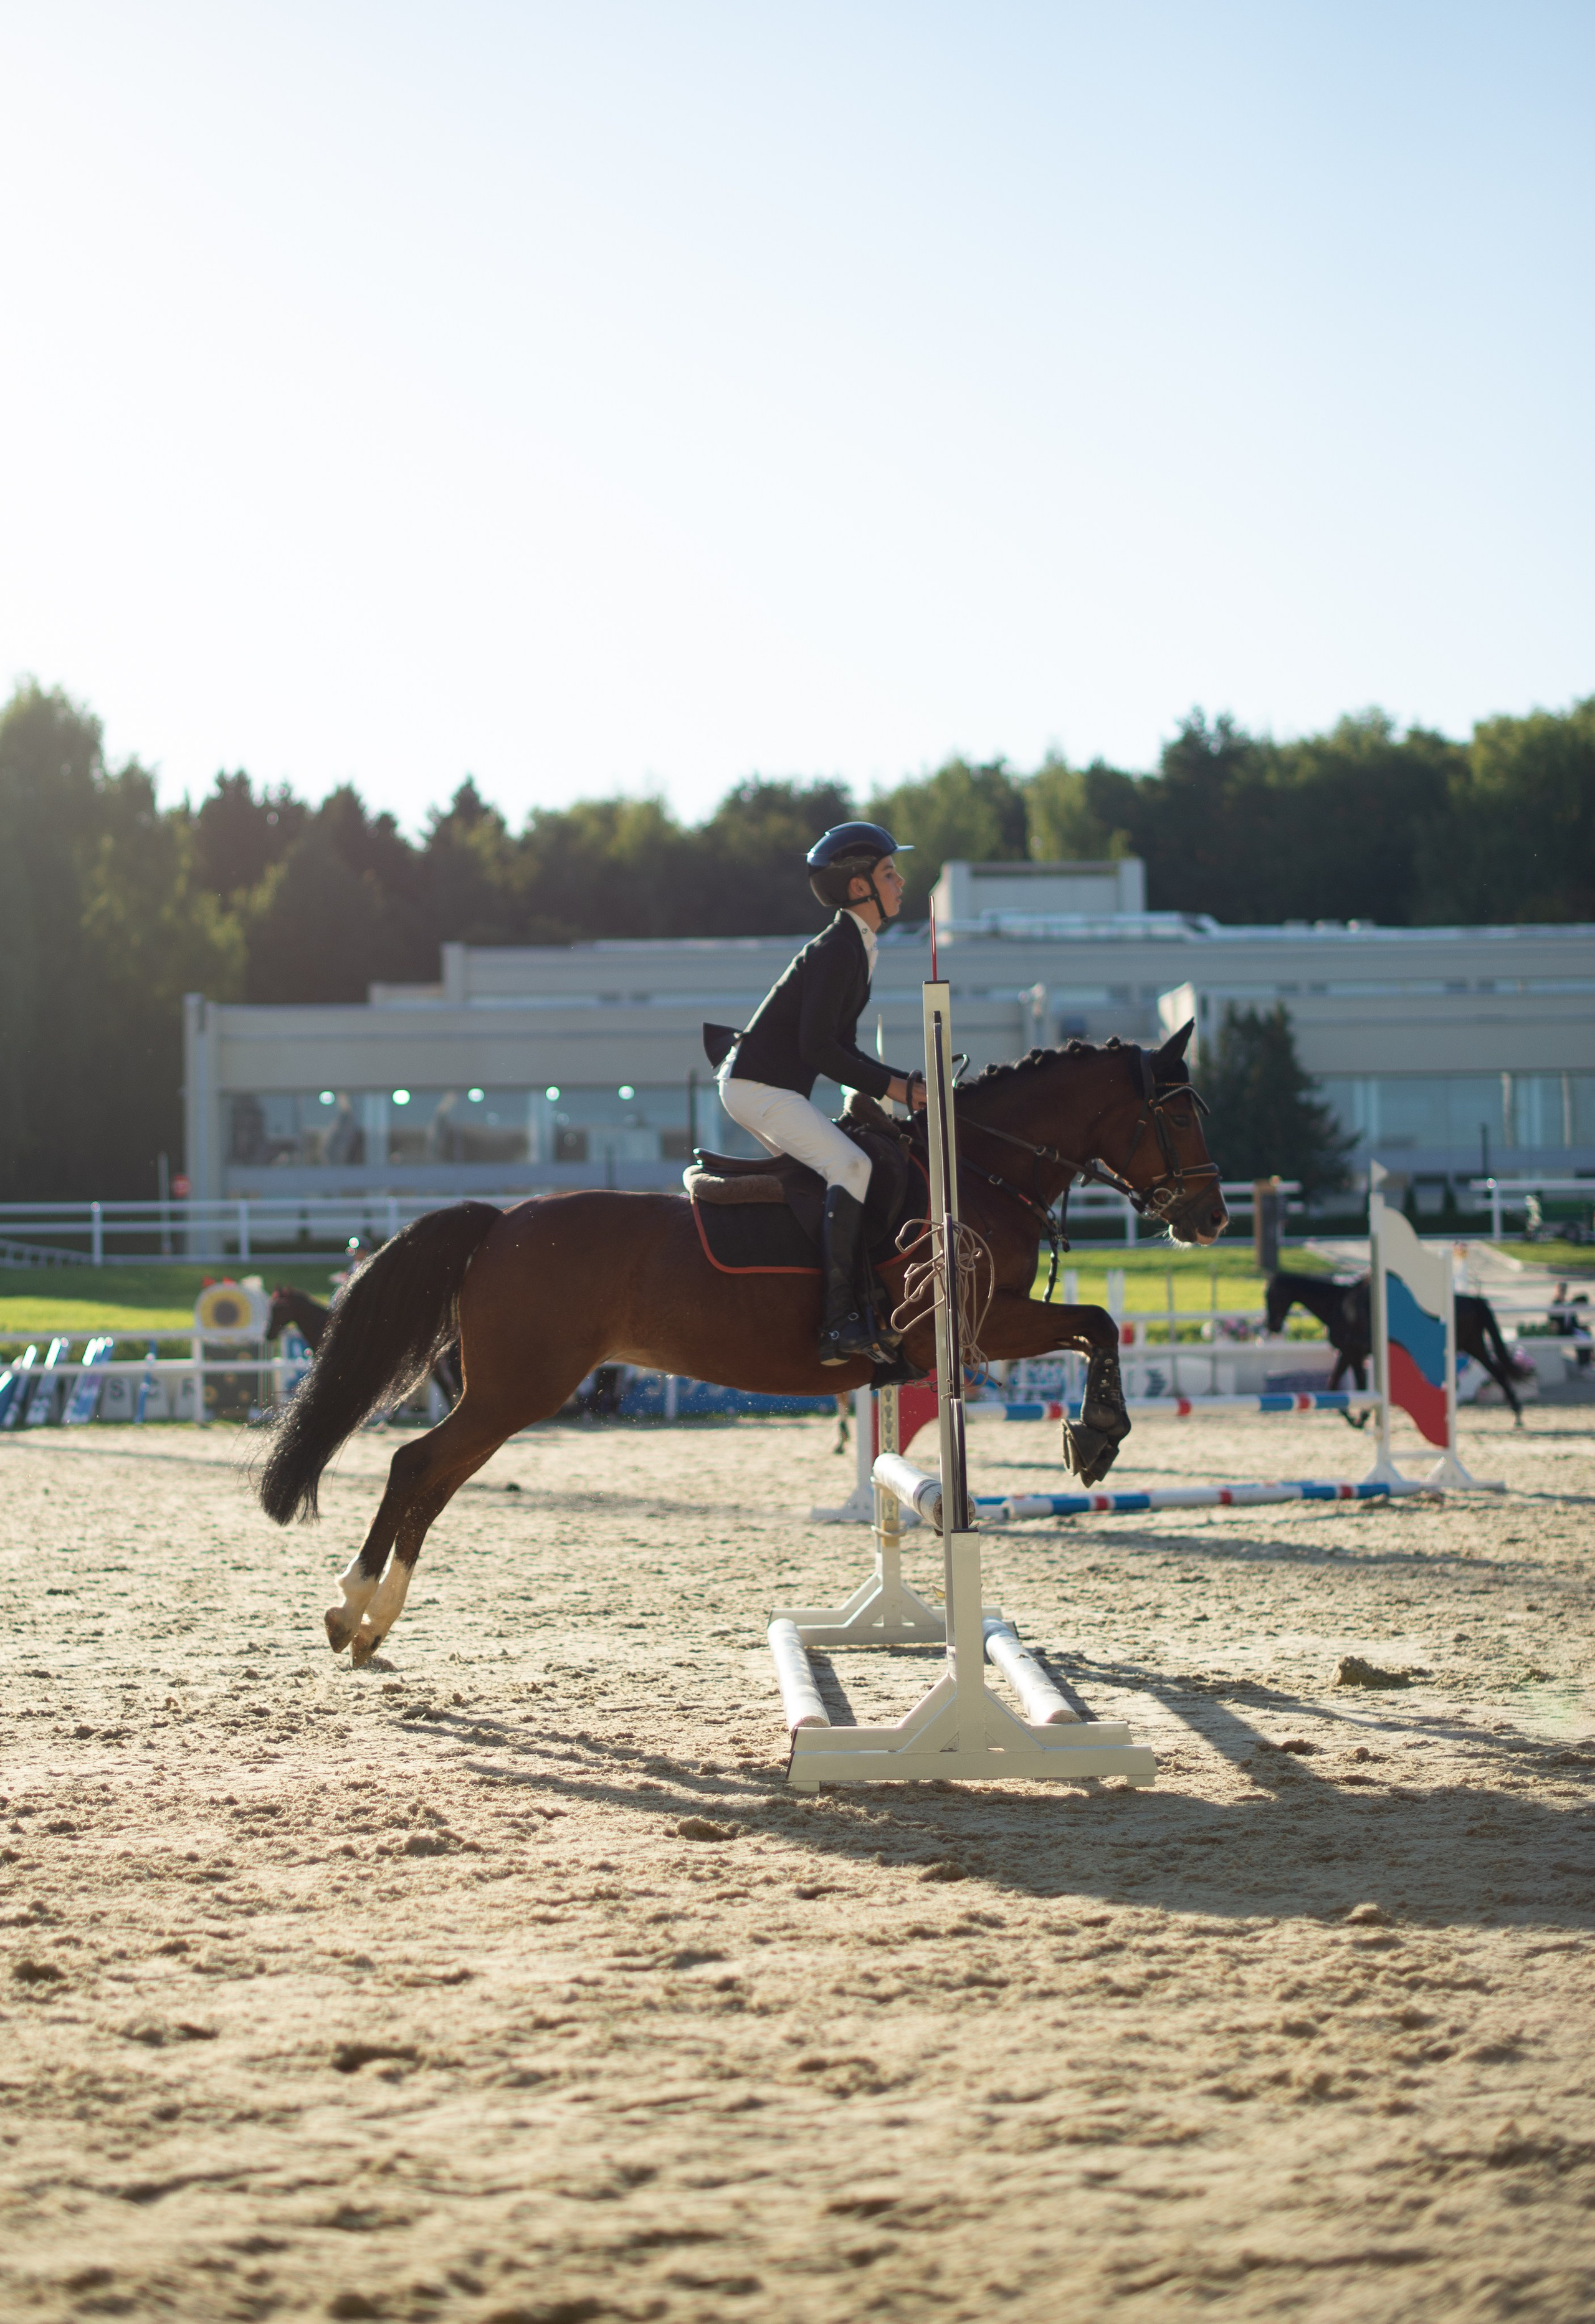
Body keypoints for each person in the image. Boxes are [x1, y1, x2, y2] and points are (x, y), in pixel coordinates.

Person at [704, 823, 926, 1364]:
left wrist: (900, 1083)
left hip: (765, 1084)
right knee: (850, 1167)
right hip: (758, 1086)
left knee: (832, 1171)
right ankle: (837, 1321)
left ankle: (846, 1302)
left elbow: (841, 1045)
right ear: (859, 889)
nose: (901, 882)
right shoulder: (837, 950)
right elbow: (819, 1050)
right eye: (889, 873)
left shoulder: (857, 945)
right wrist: (898, 1085)